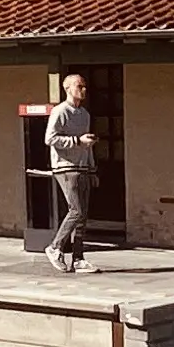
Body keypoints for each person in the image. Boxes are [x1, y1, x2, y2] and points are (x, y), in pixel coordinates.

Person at [44, 71, 102, 274]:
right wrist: (77, 141)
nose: (83, 90)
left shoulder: (84, 114)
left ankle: (78, 258)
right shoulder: (60, 111)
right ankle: (55, 247)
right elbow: (50, 138)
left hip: (83, 166)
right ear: (67, 88)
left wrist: (92, 168)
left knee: (83, 214)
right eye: (79, 86)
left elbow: (87, 145)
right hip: (65, 167)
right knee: (75, 210)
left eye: (84, 86)